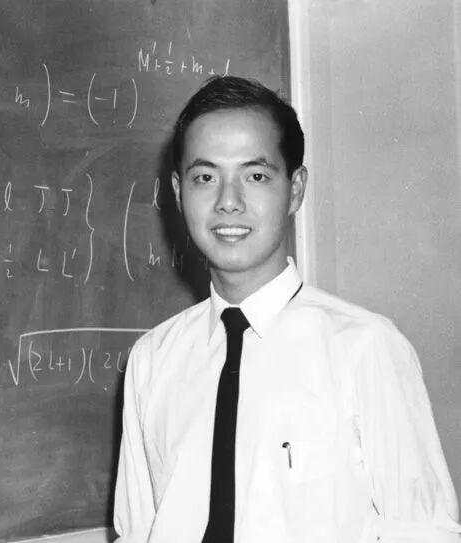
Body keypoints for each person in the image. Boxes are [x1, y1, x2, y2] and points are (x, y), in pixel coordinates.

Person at [113, 75, 461, 542]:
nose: (228, 202)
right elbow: (137, 531)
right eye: (205, 177)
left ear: (295, 189)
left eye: (255, 176)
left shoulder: (365, 349)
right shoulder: (152, 360)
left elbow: (424, 532)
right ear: (178, 192)